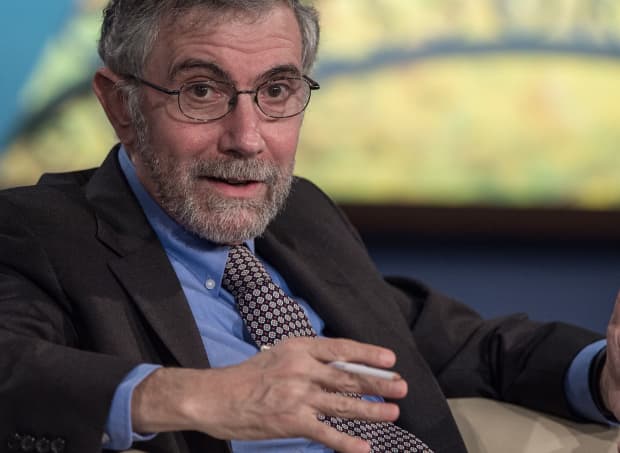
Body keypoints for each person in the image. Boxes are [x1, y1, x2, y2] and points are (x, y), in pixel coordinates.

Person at [1, 1, 619, 452]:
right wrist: (193, 395)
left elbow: (458, 344)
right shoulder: (41, 233)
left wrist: (601, 375)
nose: (247, 139)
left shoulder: (302, 216)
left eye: (276, 90)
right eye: (201, 91)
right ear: (121, 105)